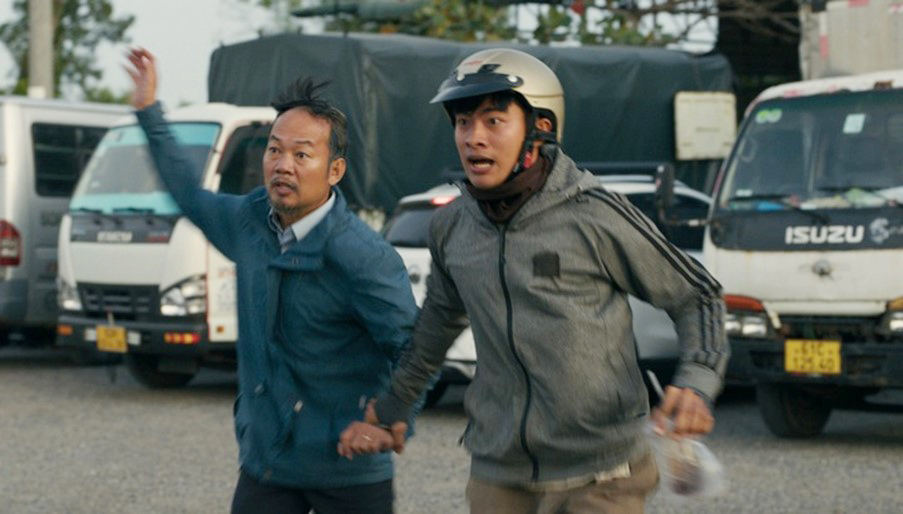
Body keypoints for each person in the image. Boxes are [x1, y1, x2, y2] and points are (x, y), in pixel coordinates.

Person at [339, 48, 729, 513]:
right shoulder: (452, 226)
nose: (473, 138)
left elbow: (697, 294)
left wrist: (696, 380)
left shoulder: (594, 214)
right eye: (463, 122)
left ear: (540, 127)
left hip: (603, 472)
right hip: (499, 469)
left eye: (493, 121)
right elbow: (436, 327)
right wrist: (391, 410)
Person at [125, 48, 417, 514]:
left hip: (347, 471)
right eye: (275, 149)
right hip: (268, 467)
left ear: (335, 170)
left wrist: (389, 420)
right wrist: (148, 112)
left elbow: (413, 349)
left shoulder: (363, 256)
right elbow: (190, 196)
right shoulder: (250, 221)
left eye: (302, 154)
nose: (283, 165)